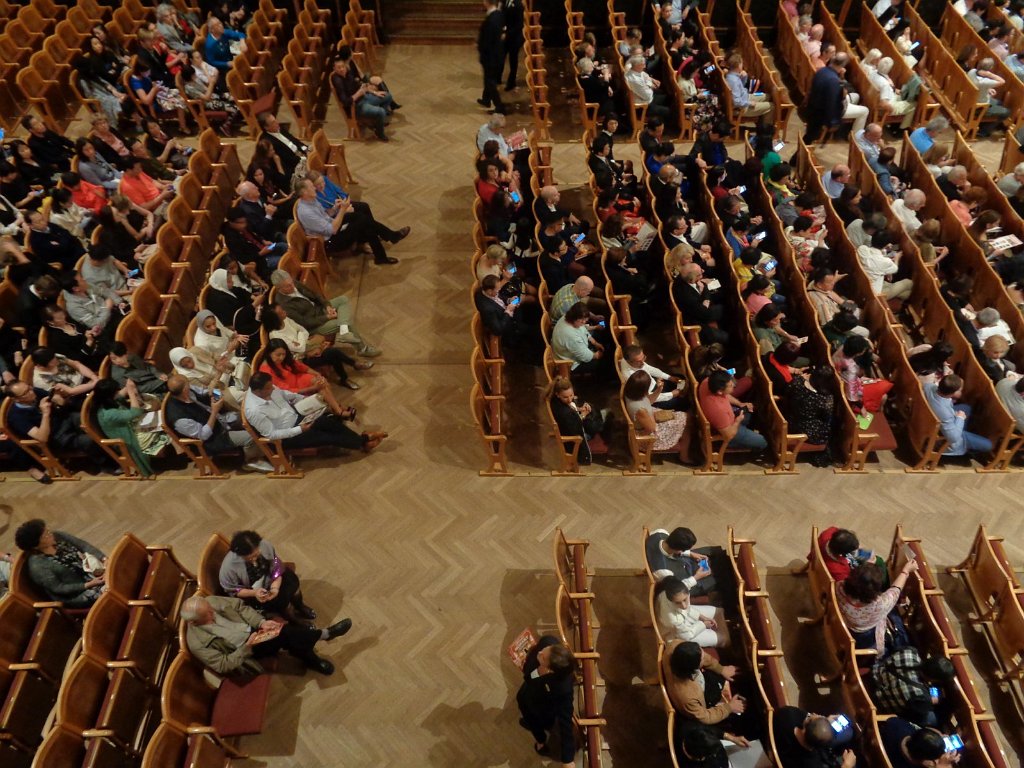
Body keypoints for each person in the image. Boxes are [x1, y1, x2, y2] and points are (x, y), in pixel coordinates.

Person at [181, 594, 350, 677]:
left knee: (288, 635)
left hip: (254, 629)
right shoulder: (197, 643)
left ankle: (313, 656)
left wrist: (261, 623)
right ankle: (324, 636)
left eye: (210, 609)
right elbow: (223, 665)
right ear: (194, 623)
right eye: (208, 615)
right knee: (286, 633)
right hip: (246, 650)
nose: (213, 612)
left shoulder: (209, 602)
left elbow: (240, 608)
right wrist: (247, 647)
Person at [243, 372, 387, 453]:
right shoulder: (254, 410)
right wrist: (299, 429)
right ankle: (363, 442)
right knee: (327, 437)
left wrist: (308, 400)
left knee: (329, 422)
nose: (273, 389)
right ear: (258, 391)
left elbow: (286, 395)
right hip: (289, 435)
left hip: (298, 415)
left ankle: (362, 441)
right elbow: (271, 435)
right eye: (269, 388)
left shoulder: (267, 387)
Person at [164, 373, 272, 473]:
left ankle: (268, 444)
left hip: (220, 420)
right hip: (214, 439)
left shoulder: (187, 391)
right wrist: (215, 411)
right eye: (188, 385)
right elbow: (204, 435)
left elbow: (204, 392)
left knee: (251, 416)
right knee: (250, 437)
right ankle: (251, 461)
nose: (190, 385)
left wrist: (216, 393)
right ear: (184, 390)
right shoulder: (179, 418)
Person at [293, 177, 408, 266]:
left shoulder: (311, 200)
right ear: (304, 193)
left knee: (362, 208)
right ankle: (386, 244)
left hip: (332, 225)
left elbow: (326, 216)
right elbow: (332, 230)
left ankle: (379, 242)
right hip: (331, 241)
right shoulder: (306, 212)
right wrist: (343, 210)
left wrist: (334, 208)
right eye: (311, 187)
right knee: (362, 221)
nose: (314, 188)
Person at [269, 270, 380, 357]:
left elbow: (315, 294)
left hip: (319, 309)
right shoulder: (284, 304)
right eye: (288, 286)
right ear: (279, 288)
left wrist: (327, 306)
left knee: (343, 299)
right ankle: (362, 349)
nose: (292, 286)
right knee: (347, 324)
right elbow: (305, 323)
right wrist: (327, 317)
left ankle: (344, 331)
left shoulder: (294, 284)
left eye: (291, 282)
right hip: (315, 325)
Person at [219, 530, 317, 622]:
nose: (254, 560)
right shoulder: (229, 568)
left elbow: (275, 565)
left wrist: (275, 587)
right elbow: (234, 590)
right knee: (281, 603)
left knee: (293, 583)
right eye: (250, 558)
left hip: (272, 578)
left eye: (256, 555)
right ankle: (295, 620)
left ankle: (300, 606)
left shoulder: (264, 545)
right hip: (254, 592)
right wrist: (255, 593)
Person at [14, 519, 107, 608]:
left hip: (90, 573)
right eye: (45, 535)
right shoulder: (38, 566)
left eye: (47, 530)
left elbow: (83, 545)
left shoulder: (58, 536)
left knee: (115, 572)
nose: (50, 534)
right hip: (77, 593)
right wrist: (89, 584)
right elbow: (59, 588)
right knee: (108, 590)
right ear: (36, 545)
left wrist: (104, 559)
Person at [515, 635, 575, 765]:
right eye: (546, 649)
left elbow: (566, 723)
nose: (540, 652)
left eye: (543, 657)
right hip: (528, 692)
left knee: (536, 720)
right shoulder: (548, 641)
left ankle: (541, 742)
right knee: (523, 702)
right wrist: (535, 671)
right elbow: (528, 675)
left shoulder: (563, 688)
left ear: (550, 669)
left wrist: (568, 760)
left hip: (541, 706)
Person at [93, 377, 168, 477]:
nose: (118, 392)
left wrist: (129, 385)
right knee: (162, 426)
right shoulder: (109, 414)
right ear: (109, 395)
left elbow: (120, 394)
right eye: (116, 391)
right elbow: (135, 412)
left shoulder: (105, 400)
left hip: (131, 427)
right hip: (128, 440)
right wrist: (131, 393)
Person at [837, 559, 918, 651]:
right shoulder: (879, 604)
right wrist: (906, 571)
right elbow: (896, 590)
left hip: (841, 626)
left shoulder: (839, 587)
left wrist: (866, 571)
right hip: (863, 638)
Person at [258, 339, 351, 417]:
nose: (282, 357)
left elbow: (303, 367)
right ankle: (338, 410)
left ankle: (336, 408)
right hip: (292, 393)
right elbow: (287, 391)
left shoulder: (284, 359)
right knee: (320, 387)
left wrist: (318, 375)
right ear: (269, 353)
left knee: (321, 382)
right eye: (278, 355)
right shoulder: (266, 371)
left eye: (284, 354)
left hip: (298, 380)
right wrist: (313, 388)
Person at [663, 639, 744, 728]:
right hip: (703, 699)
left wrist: (721, 669)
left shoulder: (674, 646)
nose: (704, 655)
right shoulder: (688, 697)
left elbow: (703, 657)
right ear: (694, 667)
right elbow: (705, 717)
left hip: (698, 683)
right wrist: (729, 708)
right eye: (701, 659)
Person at [330, 47, 396, 142]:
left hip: (364, 97)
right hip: (356, 106)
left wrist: (375, 92)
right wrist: (358, 93)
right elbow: (345, 102)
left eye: (343, 67)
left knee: (387, 96)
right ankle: (379, 133)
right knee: (381, 111)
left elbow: (359, 85)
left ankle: (377, 123)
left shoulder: (348, 73)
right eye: (338, 68)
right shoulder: (338, 81)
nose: (341, 69)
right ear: (334, 68)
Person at [623, 370, 690, 461]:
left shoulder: (631, 393)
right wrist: (637, 441)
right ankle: (684, 456)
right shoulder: (640, 409)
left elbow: (648, 401)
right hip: (650, 434)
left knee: (685, 417)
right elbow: (651, 428)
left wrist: (658, 390)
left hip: (649, 416)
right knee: (687, 424)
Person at [873, 649, 955, 720]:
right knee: (933, 718)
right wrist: (930, 701)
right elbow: (915, 715)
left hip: (870, 678)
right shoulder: (921, 696)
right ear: (933, 679)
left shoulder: (910, 652)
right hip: (878, 703)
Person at [803, 53, 868, 142]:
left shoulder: (822, 71)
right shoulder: (833, 81)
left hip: (812, 106)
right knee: (809, 138)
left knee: (855, 96)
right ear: (843, 65)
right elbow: (832, 103)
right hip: (820, 114)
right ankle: (855, 139)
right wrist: (834, 122)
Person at [698, 370, 768, 453]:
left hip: (731, 417)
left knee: (754, 412)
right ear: (720, 391)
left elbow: (726, 395)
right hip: (728, 430)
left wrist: (740, 403)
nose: (734, 385)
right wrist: (738, 421)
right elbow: (728, 435)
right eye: (730, 385)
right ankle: (733, 445)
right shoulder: (718, 410)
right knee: (764, 442)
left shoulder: (708, 382)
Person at [925, 374, 993, 458]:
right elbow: (953, 438)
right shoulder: (945, 414)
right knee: (988, 445)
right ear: (953, 393)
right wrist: (960, 418)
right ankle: (967, 448)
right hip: (941, 434)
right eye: (960, 390)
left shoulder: (928, 386)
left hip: (932, 415)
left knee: (966, 408)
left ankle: (967, 434)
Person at [773, 706, 857, 768]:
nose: (814, 714)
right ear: (822, 748)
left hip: (774, 745)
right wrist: (846, 766)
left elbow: (809, 719)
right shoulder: (812, 764)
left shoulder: (788, 714)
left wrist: (824, 722)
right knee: (849, 732)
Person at [547, 376, 605, 465]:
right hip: (573, 438)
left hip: (570, 429)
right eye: (565, 397)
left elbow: (571, 410)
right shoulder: (564, 412)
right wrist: (584, 415)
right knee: (598, 422)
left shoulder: (556, 402)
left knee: (599, 416)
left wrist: (580, 409)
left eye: (571, 395)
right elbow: (576, 427)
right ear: (557, 394)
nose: (570, 399)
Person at [656, 577, 728, 647]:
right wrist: (703, 625)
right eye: (678, 602)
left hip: (682, 620)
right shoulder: (673, 620)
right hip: (676, 635)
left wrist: (703, 617)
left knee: (719, 611)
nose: (684, 606)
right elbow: (687, 635)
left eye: (685, 600)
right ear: (670, 600)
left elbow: (687, 583)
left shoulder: (675, 589)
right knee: (724, 639)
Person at [645, 527, 717, 596]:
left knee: (707, 555)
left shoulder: (659, 532)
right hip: (679, 583)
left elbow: (674, 549)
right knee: (714, 580)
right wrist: (696, 577)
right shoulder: (664, 572)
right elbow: (677, 589)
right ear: (679, 550)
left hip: (675, 562)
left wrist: (690, 553)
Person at [619, 343, 686, 410]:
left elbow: (649, 368)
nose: (643, 363)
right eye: (639, 361)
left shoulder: (632, 360)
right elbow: (648, 397)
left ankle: (680, 392)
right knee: (681, 402)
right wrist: (671, 394)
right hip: (652, 397)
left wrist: (669, 377)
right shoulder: (633, 378)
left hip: (654, 384)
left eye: (643, 357)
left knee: (680, 378)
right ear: (629, 362)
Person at [880, 719, 960, 768]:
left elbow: (891, 720)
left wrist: (937, 737)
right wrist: (942, 766)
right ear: (926, 761)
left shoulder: (896, 725)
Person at [551, 302, 605, 375]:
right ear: (574, 317)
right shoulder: (570, 336)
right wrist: (597, 355)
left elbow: (582, 329)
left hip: (576, 348)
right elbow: (586, 356)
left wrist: (594, 342)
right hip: (569, 363)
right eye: (582, 320)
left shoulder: (568, 317)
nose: (584, 322)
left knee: (599, 336)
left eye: (585, 320)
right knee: (602, 364)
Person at [477, 0, 506, 114]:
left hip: (491, 57)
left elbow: (488, 42)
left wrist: (480, 47)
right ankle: (486, 99)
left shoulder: (492, 19)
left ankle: (499, 106)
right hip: (496, 54)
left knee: (490, 81)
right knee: (488, 78)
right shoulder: (498, 14)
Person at [625, 55, 670, 121]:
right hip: (643, 107)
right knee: (668, 111)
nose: (645, 67)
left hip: (645, 99)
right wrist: (650, 85)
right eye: (643, 65)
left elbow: (644, 74)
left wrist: (650, 82)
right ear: (636, 66)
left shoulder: (633, 69)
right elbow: (647, 96)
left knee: (669, 98)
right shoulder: (635, 80)